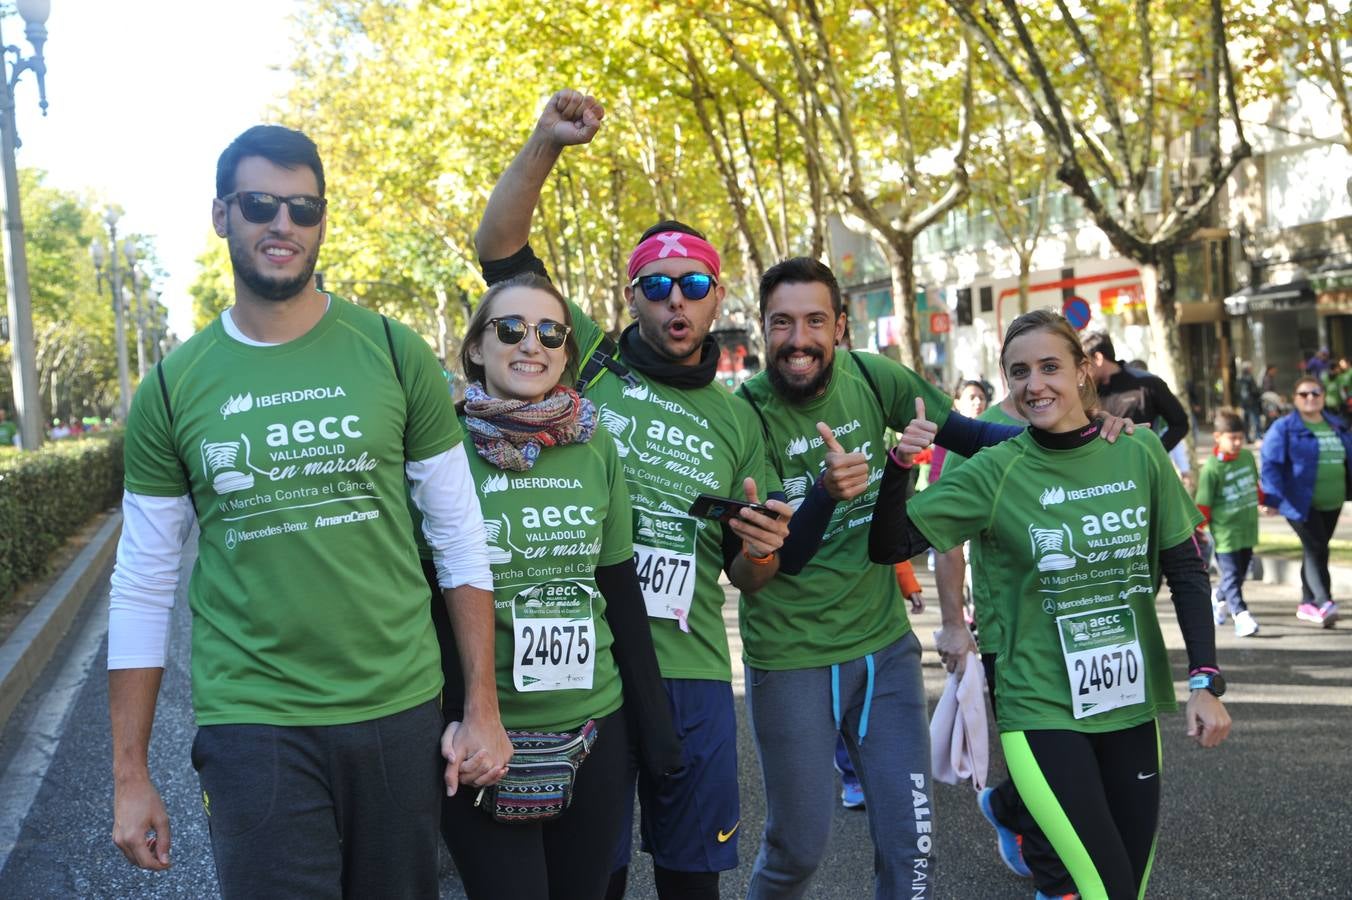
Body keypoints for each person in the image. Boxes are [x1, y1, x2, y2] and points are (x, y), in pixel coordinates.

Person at [107, 125, 510, 897]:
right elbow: (143, 585)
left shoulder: (393, 353)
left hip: (397, 709)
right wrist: (130, 774)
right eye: (260, 204)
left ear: (323, 220)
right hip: (252, 720)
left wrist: (482, 707)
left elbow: (460, 538)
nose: (282, 224)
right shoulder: (169, 388)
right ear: (223, 215)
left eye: (303, 208)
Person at [476, 90, 794, 900]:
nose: (676, 301)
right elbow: (499, 246)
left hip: (688, 671)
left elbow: (745, 577)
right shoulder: (580, 355)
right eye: (656, 287)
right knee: (596, 879)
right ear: (631, 300)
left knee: (693, 882)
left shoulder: (738, 418)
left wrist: (762, 550)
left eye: (693, 283)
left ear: (719, 296)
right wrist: (546, 141)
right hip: (597, 672)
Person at [733, 260, 1136, 899]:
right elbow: (773, 565)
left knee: (912, 848)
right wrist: (824, 494)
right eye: (782, 322)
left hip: (883, 651)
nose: (799, 338)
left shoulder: (874, 376)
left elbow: (978, 437)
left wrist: (1085, 435)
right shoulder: (743, 414)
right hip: (791, 658)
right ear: (763, 329)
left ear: (840, 326)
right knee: (798, 850)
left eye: (815, 320)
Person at [871, 308, 1231, 900]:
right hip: (1039, 704)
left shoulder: (1137, 452)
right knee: (1102, 887)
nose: (1034, 383)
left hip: (1131, 702)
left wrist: (1205, 679)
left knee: (1126, 888)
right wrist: (898, 469)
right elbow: (889, 545)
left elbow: (1187, 570)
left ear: (1084, 371)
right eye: (1019, 372)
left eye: (1049, 366)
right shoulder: (996, 470)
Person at [429, 273, 682, 898]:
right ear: (476, 350)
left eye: (551, 332)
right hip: (482, 734)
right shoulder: (440, 451)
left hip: (595, 726)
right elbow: (423, 597)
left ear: (568, 353)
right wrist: (453, 715)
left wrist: (656, 732)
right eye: (509, 329)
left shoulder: (596, 446)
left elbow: (620, 589)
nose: (530, 344)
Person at [1260, 375, 1352, 627]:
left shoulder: (1336, 425)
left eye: (1315, 393)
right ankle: (1325, 601)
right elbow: (1270, 465)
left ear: (1323, 396)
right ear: (1295, 399)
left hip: (1332, 502)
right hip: (1298, 501)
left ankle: (1307, 602)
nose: (1310, 398)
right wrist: (1271, 498)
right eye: (1303, 394)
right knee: (1316, 548)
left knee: (1316, 548)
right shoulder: (1284, 428)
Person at [1197, 409, 1264, 637]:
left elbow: (1256, 485)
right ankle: (1241, 616)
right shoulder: (1211, 468)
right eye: (1231, 438)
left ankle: (1217, 598)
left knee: (1240, 573)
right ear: (1218, 437)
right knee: (1233, 574)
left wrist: (1264, 500)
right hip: (1225, 532)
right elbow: (1203, 504)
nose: (1237, 443)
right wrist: (1200, 532)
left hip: (1247, 528)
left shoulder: (1246, 457)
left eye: (1240, 438)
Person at [1082, 332, 1189, 451]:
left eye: (1084, 363)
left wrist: (1155, 451)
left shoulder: (1147, 383)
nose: (1081, 371)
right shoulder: (1084, 392)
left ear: (1098, 358)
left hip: (1141, 466)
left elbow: (1180, 423)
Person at [1236, 362, 1261, 441]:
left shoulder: (1239, 379)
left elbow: (1237, 391)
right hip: (1252, 402)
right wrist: (1258, 395)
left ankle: (1247, 437)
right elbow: (1255, 390)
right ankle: (1257, 435)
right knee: (1256, 420)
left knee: (1246, 421)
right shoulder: (1250, 378)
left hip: (1244, 403)